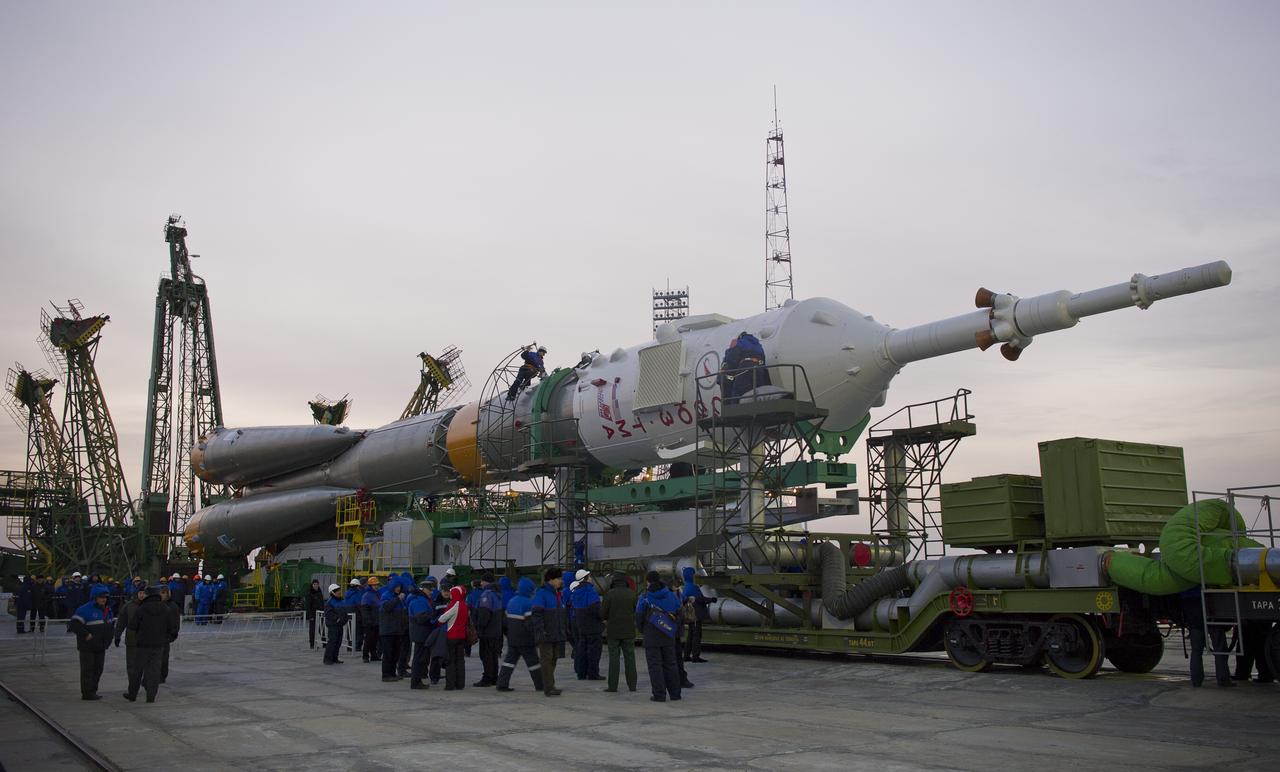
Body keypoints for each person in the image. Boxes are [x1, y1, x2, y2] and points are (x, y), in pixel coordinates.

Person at [124, 586, 179, 703]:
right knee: (154, 671)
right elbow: (171, 627)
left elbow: (132, 625)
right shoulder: (165, 608)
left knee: (137, 670)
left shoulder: (142, 609)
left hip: (143, 644)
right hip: (159, 645)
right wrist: (167, 638)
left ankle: (132, 694)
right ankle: (151, 696)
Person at [635, 571, 682, 702]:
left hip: (651, 635)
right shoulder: (671, 595)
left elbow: (638, 617)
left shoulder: (644, 597)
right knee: (671, 664)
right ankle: (675, 694)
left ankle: (659, 694)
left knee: (655, 666)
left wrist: (643, 630)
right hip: (668, 634)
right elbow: (679, 613)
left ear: (648, 582)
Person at [496, 577, 544, 693]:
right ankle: (540, 685)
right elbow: (529, 624)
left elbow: (505, 622)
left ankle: (502, 683)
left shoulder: (512, 601)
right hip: (526, 640)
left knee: (509, 662)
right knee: (534, 663)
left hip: (512, 639)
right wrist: (537, 637)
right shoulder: (528, 603)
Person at [67, 585, 113, 700]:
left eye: (105, 597)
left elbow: (110, 625)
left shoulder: (108, 610)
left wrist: (109, 639)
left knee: (98, 669)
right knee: (88, 670)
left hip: (101, 646)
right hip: (87, 647)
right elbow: (74, 625)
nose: (104, 599)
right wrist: (86, 634)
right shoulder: (84, 610)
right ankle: (87, 693)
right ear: (95, 597)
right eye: (101, 597)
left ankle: (93, 690)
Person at [529, 567, 567, 696]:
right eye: (558, 578)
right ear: (551, 579)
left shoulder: (558, 594)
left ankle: (550, 684)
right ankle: (548, 687)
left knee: (554, 659)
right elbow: (536, 613)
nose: (560, 581)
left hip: (556, 633)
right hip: (546, 634)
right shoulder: (542, 593)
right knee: (547, 660)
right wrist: (540, 631)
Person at [601, 572, 638, 693]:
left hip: (613, 631)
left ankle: (612, 686)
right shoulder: (632, 594)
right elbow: (637, 611)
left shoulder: (609, 594)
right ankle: (632, 685)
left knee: (614, 659)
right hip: (629, 630)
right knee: (630, 659)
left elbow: (603, 614)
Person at [114, 581, 147, 693]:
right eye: (140, 593)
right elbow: (121, 622)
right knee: (132, 665)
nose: (142, 595)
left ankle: (144, 683)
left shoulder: (150, 605)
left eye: (144, 593)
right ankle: (133, 687)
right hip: (132, 640)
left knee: (145, 664)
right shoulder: (129, 606)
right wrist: (117, 635)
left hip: (147, 641)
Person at [571, 569, 604, 680]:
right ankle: (593, 674)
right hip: (593, 626)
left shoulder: (576, 592)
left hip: (581, 625)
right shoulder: (590, 591)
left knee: (582, 650)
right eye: (589, 577)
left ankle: (581, 673)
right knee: (594, 651)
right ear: (585, 579)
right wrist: (603, 618)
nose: (590, 578)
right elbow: (596, 609)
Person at [719, 331, 770, 402]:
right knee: (758, 392)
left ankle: (734, 410)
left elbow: (731, 358)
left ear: (740, 337)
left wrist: (726, 368)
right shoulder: (758, 345)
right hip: (759, 370)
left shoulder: (741, 342)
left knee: (738, 391)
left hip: (746, 367)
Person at [473, 573, 504, 687]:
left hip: (487, 631)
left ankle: (487, 678)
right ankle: (494, 677)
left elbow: (484, 614)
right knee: (493, 655)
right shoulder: (498, 594)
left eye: (482, 581)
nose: (481, 583)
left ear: (486, 582)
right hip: (496, 630)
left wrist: (479, 627)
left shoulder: (486, 595)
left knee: (485, 655)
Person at [437, 585, 470, 690]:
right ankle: (460, 684)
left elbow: (442, 619)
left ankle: (450, 684)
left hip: (452, 635)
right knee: (460, 661)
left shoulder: (454, 605)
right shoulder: (464, 605)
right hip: (462, 636)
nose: (450, 595)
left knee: (450, 661)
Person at [681, 566, 715, 663]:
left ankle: (686, 655)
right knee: (696, 636)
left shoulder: (687, 586)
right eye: (694, 573)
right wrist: (712, 599)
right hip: (696, 615)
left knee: (690, 635)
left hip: (691, 615)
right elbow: (700, 599)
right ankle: (695, 656)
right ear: (691, 575)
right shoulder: (693, 587)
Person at [407, 579, 436, 690]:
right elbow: (421, 618)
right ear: (423, 589)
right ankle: (415, 682)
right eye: (429, 590)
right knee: (418, 658)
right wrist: (432, 617)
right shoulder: (419, 600)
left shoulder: (421, 599)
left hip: (421, 632)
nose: (431, 592)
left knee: (420, 658)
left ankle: (417, 680)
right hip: (420, 632)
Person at [378, 576, 408, 682]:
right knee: (388, 654)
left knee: (395, 653)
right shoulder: (386, 596)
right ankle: (386, 675)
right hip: (387, 630)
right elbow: (386, 607)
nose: (398, 588)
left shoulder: (400, 598)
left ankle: (392, 673)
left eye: (399, 586)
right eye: (396, 586)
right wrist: (397, 599)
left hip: (397, 630)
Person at [158, 585, 180, 683]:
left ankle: (162, 676)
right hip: (156, 635)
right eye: (161, 593)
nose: (162, 595)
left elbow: (176, 621)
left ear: (168, 594)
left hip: (166, 636)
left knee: (164, 658)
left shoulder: (173, 606)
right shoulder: (156, 605)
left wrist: (173, 634)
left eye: (164, 593)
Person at [322, 584, 347, 665]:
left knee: (338, 642)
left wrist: (344, 618)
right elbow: (328, 614)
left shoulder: (341, 600)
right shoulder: (330, 602)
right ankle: (327, 659)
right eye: (337, 591)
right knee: (332, 641)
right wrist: (337, 618)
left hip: (340, 624)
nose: (339, 592)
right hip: (333, 624)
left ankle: (334, 658)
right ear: (332, 592)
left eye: (339, 590)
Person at [361, 576, 382, 662]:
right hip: (370, 622)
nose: (376, 586)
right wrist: (368, 621)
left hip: (376, 621)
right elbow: (365, 610)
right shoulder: (367, 596)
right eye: (374, 585)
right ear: (370, 585)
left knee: (375, 639)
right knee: (368, 639)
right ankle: (365, 656)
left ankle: (374, 655)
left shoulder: (377, 594)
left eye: (377, 584)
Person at [304, 579, 324, 649]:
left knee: (322, 628)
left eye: (317, 584)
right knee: (312, 630)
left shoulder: (319, 592)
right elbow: (307, 605)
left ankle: (324, 642)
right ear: (312, 585)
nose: (316, 586)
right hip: (313, 614)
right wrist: (310, 616)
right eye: (314, 584)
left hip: (320, 613)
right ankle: (312, 644)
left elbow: (322, 602)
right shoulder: (309, 593)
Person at [347, 578, 365, 652]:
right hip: (357, 615)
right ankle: (357, 646)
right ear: (358, 586)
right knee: (359, 631)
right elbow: (359, 605)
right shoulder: (358, 594)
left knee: (350, 630)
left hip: (349, 614)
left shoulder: (347, 593)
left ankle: (349, 645)